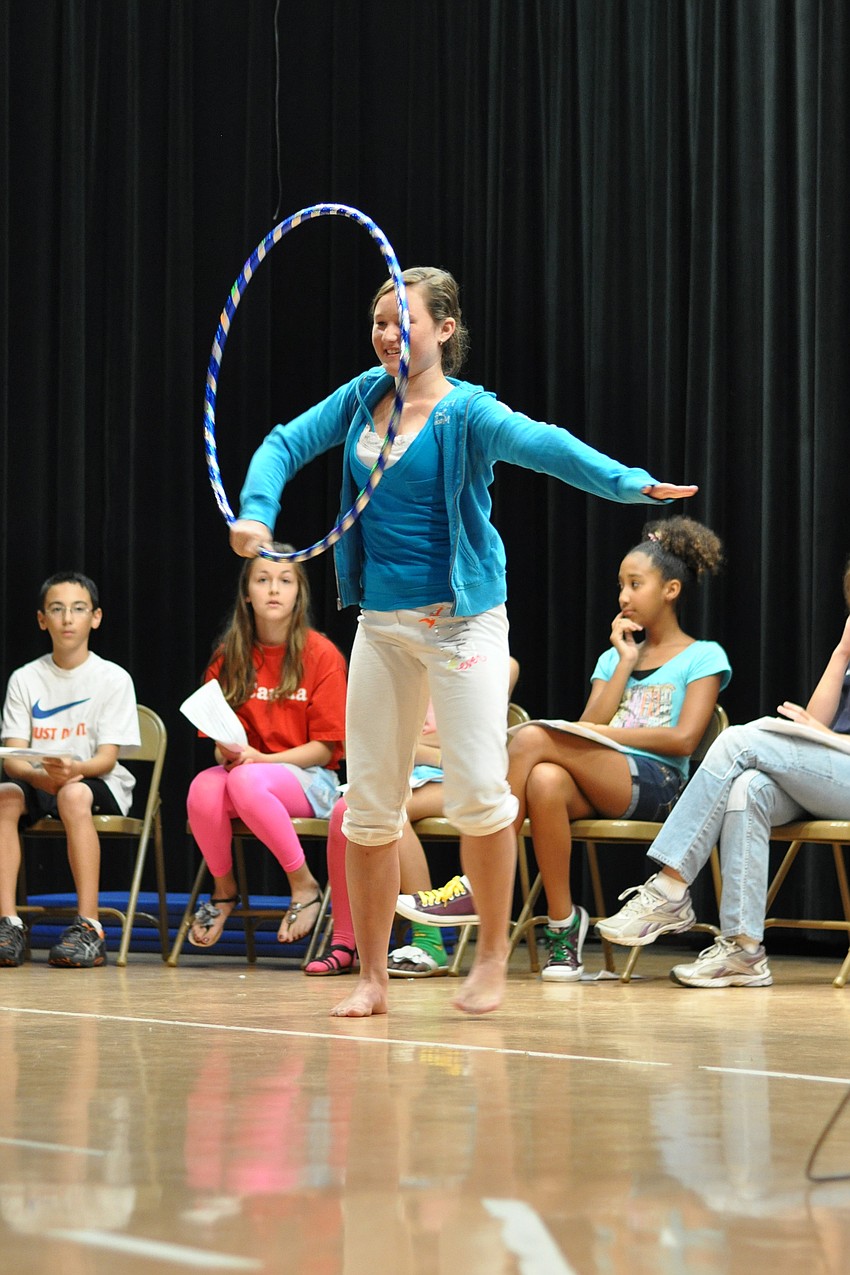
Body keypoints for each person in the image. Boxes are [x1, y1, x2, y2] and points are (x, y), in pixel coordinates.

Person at [228, 264, 697, 1017]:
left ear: (443, 330)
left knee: (482, 793)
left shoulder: (468, 413)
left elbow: (548, 445)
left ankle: (488, 961)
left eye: (401, 321)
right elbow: (284, 443)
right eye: (378, 321)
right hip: (382, 625)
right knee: (369, 804)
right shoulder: (361, 397)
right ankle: (373, 978)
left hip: (463, 626)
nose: (386, 334)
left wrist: (629, 482)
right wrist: (256, 511)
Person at [399, 518, 730, 982]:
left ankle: (478, 880)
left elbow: (684, 740)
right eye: (620, 585)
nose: (624, 597)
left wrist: (605, 738)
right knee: (544, 780)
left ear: (671, 589)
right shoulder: (614, 657)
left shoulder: (703, 656)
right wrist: (625, 662)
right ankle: (563, 925)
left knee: (533, 738)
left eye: (636, 584)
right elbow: (589, 724)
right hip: (604, 778)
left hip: (663, 788)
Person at [596, 558, 850, 988]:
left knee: (737, 742)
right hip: (831, 773)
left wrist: (828, 738)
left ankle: (669, 888)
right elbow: (816, 721)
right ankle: (743, 950)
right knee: (748, 788)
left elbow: (823, 734)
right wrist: (842, 652)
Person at [306, 656, 521, 978]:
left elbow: (468, 736)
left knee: (394, 809)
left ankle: (428, 938)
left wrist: (410, 744)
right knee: (348, 810)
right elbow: (363, 737)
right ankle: (345, 943)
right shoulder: (399, 655)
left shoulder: (496, 661)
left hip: (455, 775)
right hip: (408, 768)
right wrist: (412, 744)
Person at [187, 549, 347, 949]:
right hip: (248, 772)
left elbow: (326, 749)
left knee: (245, 780)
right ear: (246, 593)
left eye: (285, 580)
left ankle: (304, 885)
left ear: (299, 594)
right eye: (262, 579)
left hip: (312, 780)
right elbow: (217, 748)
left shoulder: (321, 654)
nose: (273, 588)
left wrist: (261, 761)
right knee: (202, 789)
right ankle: (224, 891)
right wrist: (228, 751)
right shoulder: (231, 655)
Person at [0, 571, 139, 968]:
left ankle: (89, 925)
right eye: (57, 610)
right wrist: (39, 774)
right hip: (38, 778)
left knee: (73, 793)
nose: (67, 619)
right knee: (5, 794)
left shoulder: (113, 678)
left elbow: (107, 759)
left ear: (95, 617)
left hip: (95, 779)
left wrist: (72, 771)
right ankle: (8, 923)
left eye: (78, 610)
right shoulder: (25, 678)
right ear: (42, 619)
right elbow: (13, 758)